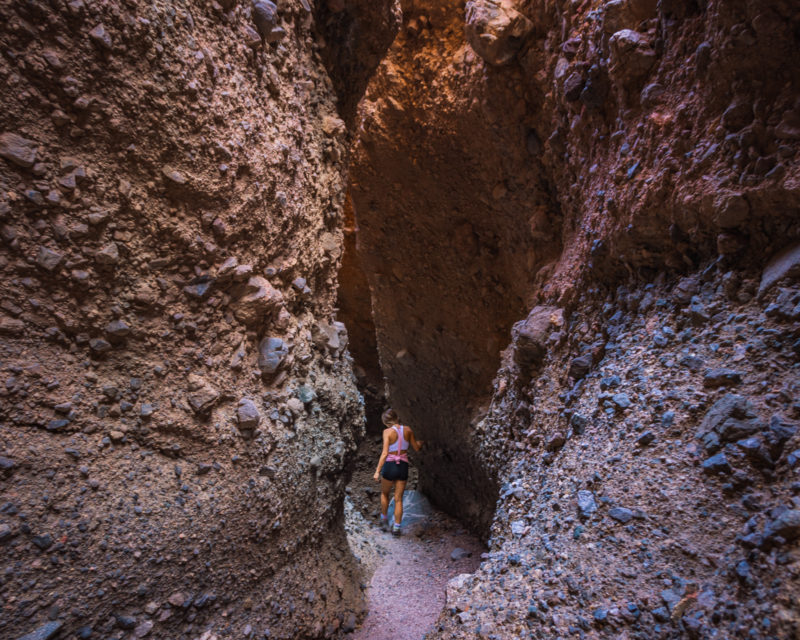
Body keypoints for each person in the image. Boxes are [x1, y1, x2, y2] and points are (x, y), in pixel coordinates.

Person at [373, 408, 423, 536]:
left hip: (390, 465)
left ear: (385, 422)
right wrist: (421, 443)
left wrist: (377, 471)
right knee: (398, 499)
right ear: (397, 418)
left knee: (385, 494)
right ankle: (397, 527)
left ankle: (384, 520)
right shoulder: (408, 430)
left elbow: (385, 453)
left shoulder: (387, 432)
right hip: (403, 466)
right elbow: (416, 448)